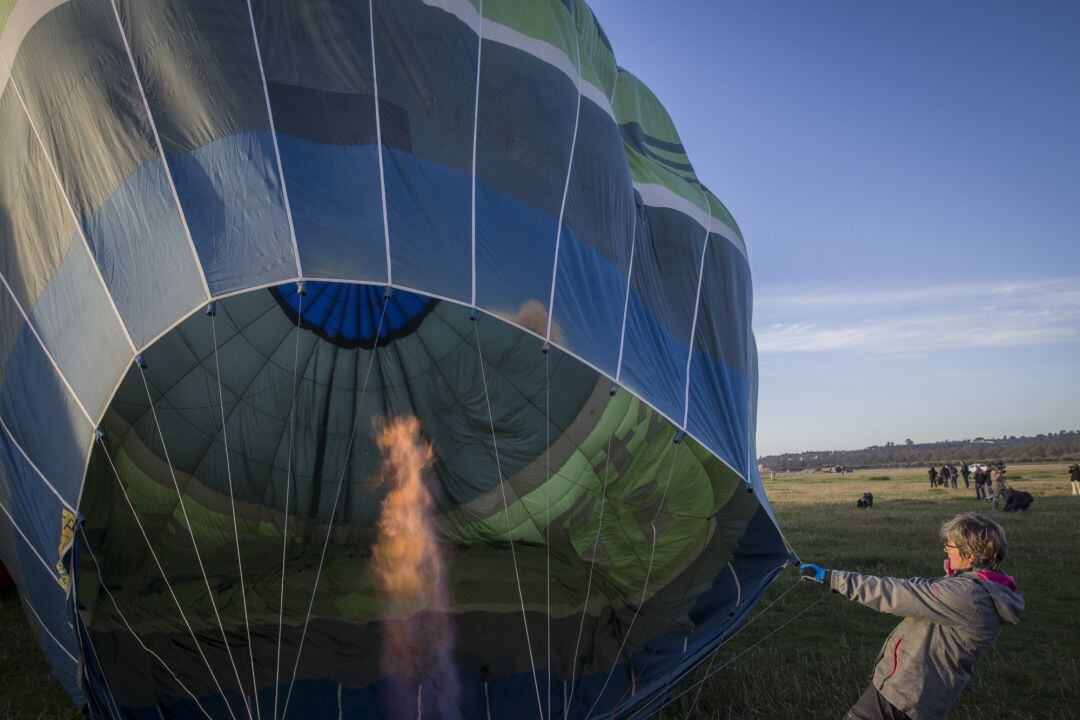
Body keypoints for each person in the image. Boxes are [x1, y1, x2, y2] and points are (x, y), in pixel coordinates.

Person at [799, 513, 1023, 720]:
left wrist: (832, 578)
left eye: (950, 545)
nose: (946, 549)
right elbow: (920, 587)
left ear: (970, 555)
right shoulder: (982, 586)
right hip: (921, 694)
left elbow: (897, 594)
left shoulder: (968, 595)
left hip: (905, 694)